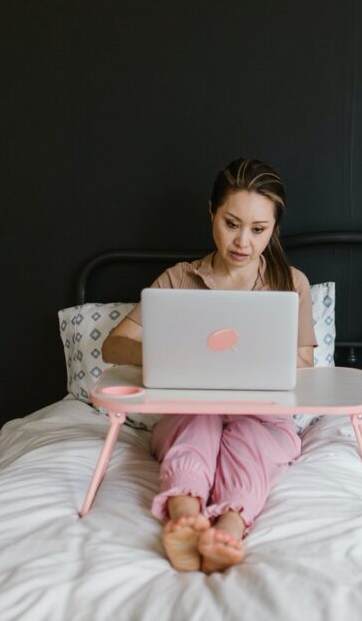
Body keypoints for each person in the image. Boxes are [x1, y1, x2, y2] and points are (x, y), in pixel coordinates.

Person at [102, 157, 316, 574]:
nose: (243, 242)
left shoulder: (292, 283)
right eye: (231, 223)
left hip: (265, 417)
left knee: (252, 444)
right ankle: (184, 514)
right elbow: (114, 345)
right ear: (211, 214)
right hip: (190, 407)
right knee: (197, 425)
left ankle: (229, 529)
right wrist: (171, 354)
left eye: (259, 230)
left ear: (274, 228)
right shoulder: (179, 279)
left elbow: (305, 362)